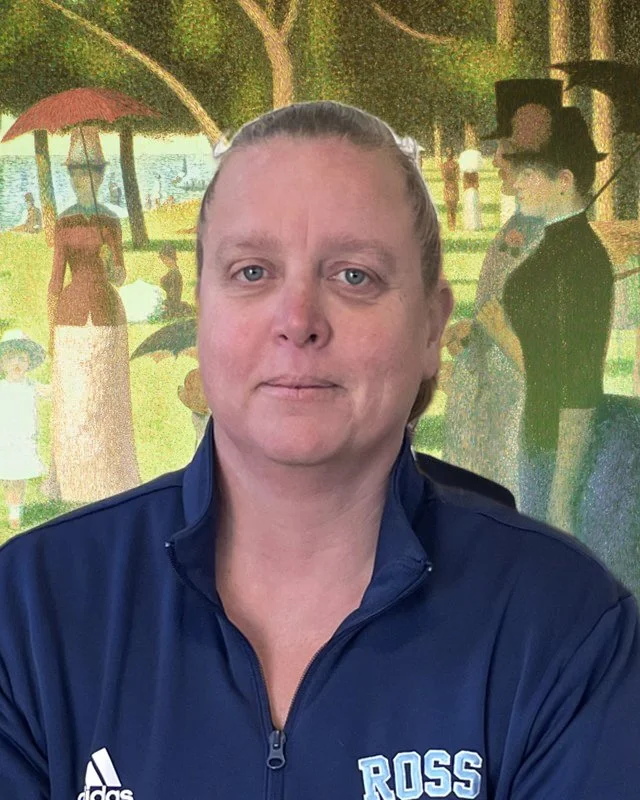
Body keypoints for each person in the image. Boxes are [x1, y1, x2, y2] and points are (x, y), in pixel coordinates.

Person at [0, 101, 638, 799]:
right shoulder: (27, 613)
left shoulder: (564, 624)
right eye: (252, 272)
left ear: (431, 329)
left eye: (354, 276)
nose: (298, 321)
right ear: (203, 313)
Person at [502, 106, 640, 593]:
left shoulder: (578, 259)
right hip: (542, 438)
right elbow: (543, 359)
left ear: (563, 181)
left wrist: (561, 501)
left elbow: (579, 385)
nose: (516, 184)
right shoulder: (558, 245)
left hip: (570, 454)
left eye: (528, 174)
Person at [443, 79, 562, 502]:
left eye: (505, 150)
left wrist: (497, 331)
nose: (494, 160)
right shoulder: (518, 225)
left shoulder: (556, 238)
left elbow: (554, 361)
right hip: (489, 411)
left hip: (520, 420)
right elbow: (499, 307)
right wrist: (473, 332)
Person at [47, 126, 140, 504]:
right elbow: (55, 281)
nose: (84, 180)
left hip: (107, 315)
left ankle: (110, 481)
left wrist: (110, 261)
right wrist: (51, 330)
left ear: (101, 176)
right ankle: (73, 483)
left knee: (107, 398)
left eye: (91, 173)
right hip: (71, 317)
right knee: (75, 399)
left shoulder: (111, 222)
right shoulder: (64, 222)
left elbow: (120, 274)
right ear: (71, 177)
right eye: (77, 173)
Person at [0, 330, 49, 530]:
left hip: (23, 439)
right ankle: (12, 508)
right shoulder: (2, 387)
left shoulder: (31, 385)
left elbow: (50, 391)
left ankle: (15, 512)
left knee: (18, 478)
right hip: (4, 439)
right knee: (6, 478)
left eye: (22, 359)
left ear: (29, 363)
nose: (17, 363)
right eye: (11, 358)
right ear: (2, 363)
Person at [158, 243, 195, 318]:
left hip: (172, 305)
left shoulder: (175, 274)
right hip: (170, 302)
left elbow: (174, 296)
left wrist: (165, 304)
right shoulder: (172, 272)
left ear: (172, 258)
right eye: (163, 259)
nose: (164, 262)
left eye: (166, 259)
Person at [440, 147, 460, 230]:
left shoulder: (443, 165)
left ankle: (450, 225)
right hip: (454, 186)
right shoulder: (456, 164)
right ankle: (453, 225)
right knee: (454, 207)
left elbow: (443, 177)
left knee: (448, 207)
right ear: (453, 155)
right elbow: (458, 177)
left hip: (447, 187)